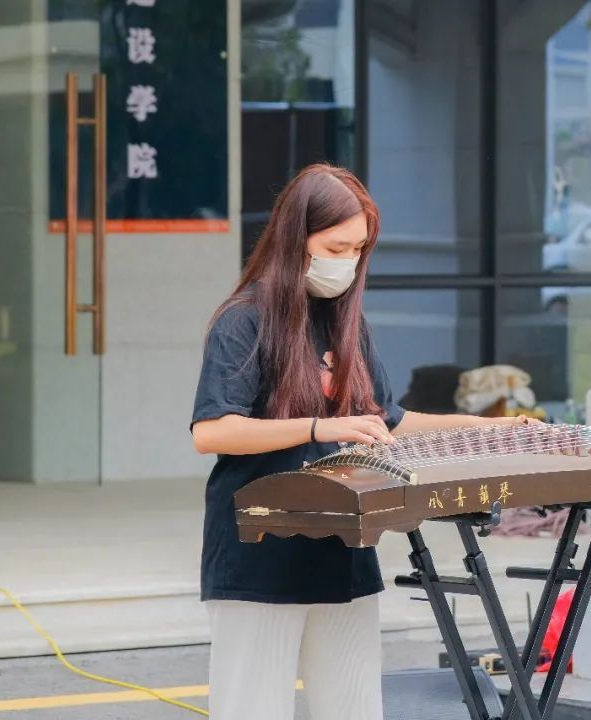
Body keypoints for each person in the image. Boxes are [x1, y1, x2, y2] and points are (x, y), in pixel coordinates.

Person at [190, 163, 527, 720]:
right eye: (336, 247)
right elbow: (213, 432)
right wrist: (319, 427)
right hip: (259, 551)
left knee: (354, 708)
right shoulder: (243, 321)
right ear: (296, 238)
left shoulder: (344, 322)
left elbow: (384, 420)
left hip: (343, 545)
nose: (346, 261)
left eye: (357, 250)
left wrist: (485, 429)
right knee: (253, 708)